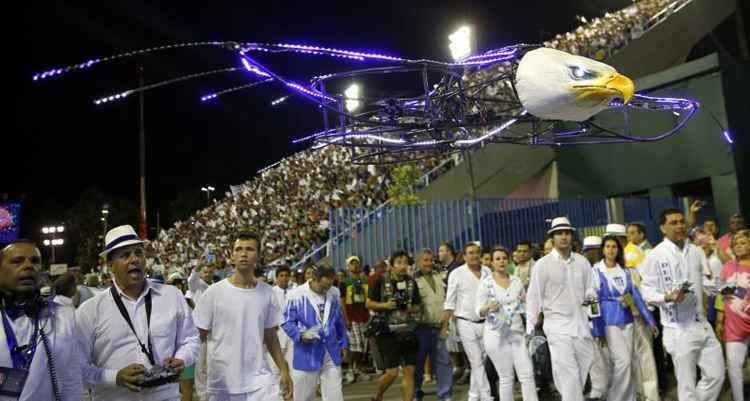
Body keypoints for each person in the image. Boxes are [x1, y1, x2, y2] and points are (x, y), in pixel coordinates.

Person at [76, 225, 200, 401]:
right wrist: (115, 377)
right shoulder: (90, 311)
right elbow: (76, 366)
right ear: (110, 264)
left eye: (138, 253)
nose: (134, 259)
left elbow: (192, 340)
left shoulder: (172, 296)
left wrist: (182, 359)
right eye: (125, 255)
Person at [193, 232, 292, 401]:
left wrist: (283, 369)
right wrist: (200, 382)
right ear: (232, 256)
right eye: (238, 249)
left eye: (249, 249)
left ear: (258, 256)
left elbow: (270, 335)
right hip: (222, 384)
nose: (243, 253)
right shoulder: (214, 293)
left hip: (260, 382)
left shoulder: (267, 293)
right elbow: (198, 338)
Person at [639, 209, 725, 401]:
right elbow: (646, 291)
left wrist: (722, 287)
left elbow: (704, 282)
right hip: (678, 329)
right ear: (662, 227)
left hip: (701, 324)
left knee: (716, 375)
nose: (679, 226)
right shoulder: (655, 255)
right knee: (687, 386)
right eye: (673, 223)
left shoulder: (695, 251)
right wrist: (667, 297)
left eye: (681, 222)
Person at [0, 239, 82, 401]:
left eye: (35, 261)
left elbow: (72, 380)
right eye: (17, 261)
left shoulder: (63, 316)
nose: (28, 266)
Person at [526, 217, 597, 401]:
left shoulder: (582, 262)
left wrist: (592, 305)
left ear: (572, 236)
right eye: (559, 233)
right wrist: (530, 327)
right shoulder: (542, 265)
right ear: (552, 238)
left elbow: (592, 288)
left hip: (582, 326)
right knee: (570, 375)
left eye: (567, 233)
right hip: (557, 327)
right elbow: (533, 296)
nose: (564, 237)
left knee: (579, 373)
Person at [591, 237, 658, 401]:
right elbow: (593, 301)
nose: (611, 250)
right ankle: (616, 396)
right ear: (603, 249)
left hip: (628, 320)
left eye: (614, 247)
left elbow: (636, 297)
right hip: (608, 321)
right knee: (624, 362)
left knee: (629, 363)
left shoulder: (626, 271)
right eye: (607, 246)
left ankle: (629, 397)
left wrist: (651, 321)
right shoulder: (596, 271)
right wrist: (597, 329)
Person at [476, 246, 537, 401]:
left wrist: (526, 300)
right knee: (506, 376)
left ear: (509, 260)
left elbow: (524, 307)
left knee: (527, 373)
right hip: (496, 335)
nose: (501, 261)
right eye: (497, 259)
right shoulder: (486, 284)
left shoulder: (516, 281)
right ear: (492, 263)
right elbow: (478, 311)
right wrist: (487, 307)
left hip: (517, 333)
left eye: (504, 258)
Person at [282, 266, 348, 401]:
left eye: (329, 286)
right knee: (304, 397)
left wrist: (344, 344)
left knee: (335, 397)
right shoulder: (295, 295)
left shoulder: (334, 292)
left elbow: (339, 321)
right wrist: (300, 335)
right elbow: (286, 322)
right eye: (323, 287)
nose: (326, 290)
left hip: (331, 351)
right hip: (307, 352)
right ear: (313, 279)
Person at [366, 250, 422, 401]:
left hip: (407, 329)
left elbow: (418, 306)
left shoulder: (411, 282)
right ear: (391, 266)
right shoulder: (380, 281)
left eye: (405, 263)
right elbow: (369, 303)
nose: (402, 266)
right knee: (392, 373)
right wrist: (385, 305)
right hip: (386, 331)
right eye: (399, 263)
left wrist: (410, 307)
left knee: (410, 371)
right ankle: (378, 394)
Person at [444, 243, 492, 401]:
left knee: (482, 362)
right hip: (465, 322)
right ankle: (486, 396)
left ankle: (473, 396)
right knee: (476, 360)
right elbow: (449, 301)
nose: (474, 256)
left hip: (486, 322)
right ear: (464, 256)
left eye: (477, 253)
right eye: (470, 253)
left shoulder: (487, 271)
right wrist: (445, 325)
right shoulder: (456, 274)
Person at [413, 249, 453, 401]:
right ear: (418, 262)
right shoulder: (413, 280)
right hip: (421, 329)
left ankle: (445, 394)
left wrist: (446, 324)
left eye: (431, 260)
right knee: (418, 364)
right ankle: (416, 392)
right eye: (425, 260)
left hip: (440, 327)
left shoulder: (440, 277)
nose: (429, 263)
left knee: (444, 362)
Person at [718, 229, 749, 401]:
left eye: (743, 243)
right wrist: (720, 319)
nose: (738, 246)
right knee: (734, 367)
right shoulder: (728, 266)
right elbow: (721, 295)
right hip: (734, 325)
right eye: (735, 243)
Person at [340, 256, 370, 383]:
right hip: (352, 317)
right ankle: (350, 370)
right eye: (352, 264)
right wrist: (346, 319)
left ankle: (357, 368)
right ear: (348, 267)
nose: (355, 266)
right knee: (354, 346)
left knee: (363, 346)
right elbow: (342, 302)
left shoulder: (365, 280)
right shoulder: (344, 282)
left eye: (357, 263)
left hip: (364, 316)